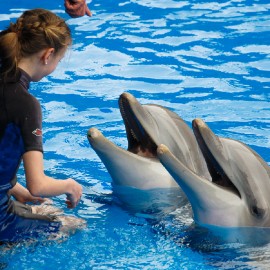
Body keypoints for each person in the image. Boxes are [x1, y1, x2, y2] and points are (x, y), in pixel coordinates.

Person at [0, 8, 83, 243]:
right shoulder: (26, 105)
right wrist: (70, 185)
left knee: (35, 207)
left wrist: (15, 190)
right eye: (58, 59)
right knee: (72, 224)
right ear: (48, 55)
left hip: (5, 196)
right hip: (0, 221)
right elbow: (38, 185)